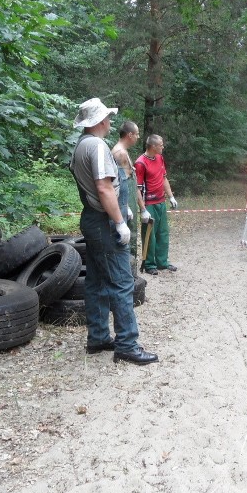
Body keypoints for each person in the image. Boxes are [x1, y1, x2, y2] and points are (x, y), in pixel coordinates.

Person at [69, 98, 158, 364]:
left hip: (95, 218)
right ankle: (127, 345)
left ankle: (97, 338)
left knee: (96, 280)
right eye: (107, 117)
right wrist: (119, 221)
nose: (110, 122)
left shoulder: (82, 145)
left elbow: (107, 188)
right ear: (98, 121)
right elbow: (104, 188)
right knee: (121, 282)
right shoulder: (96, 146)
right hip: (104, 222)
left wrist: (122, 209)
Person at [135, 134, 178, 276]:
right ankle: (149, 264)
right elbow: (137, 188)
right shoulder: (141, 163)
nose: (163, 147)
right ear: (153, 146)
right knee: (150, 235)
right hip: (149, 204)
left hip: (161, 202)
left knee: (163, 233)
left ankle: (162, 262)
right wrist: (143, 209)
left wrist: (171, 197)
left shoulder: (160, 158)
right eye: (161, 144)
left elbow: (163, 178)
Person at [111, 121, 142, 270]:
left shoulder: (123, 151)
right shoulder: (120, 153)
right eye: (136, 134)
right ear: (129, 135)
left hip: (127, 202)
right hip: (124, 203)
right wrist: (127, 206)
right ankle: (129, 273)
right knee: (128, 239)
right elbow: (119, 184)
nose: (138, 137)